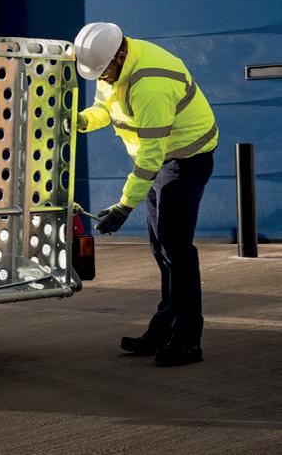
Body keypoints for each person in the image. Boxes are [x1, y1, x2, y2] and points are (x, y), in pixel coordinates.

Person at [69, 22, 218, 366]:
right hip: (160, 160)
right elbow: (105, 109)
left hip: (185, 159)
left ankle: (188, 340)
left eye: (104, 72)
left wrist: (124, 206)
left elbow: (152, 155)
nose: (102, 78)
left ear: (120, 54)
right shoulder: (112, 68)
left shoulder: (151, 83)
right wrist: (81, 120)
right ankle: (163, 330)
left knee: (176, 248)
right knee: (162, 247)